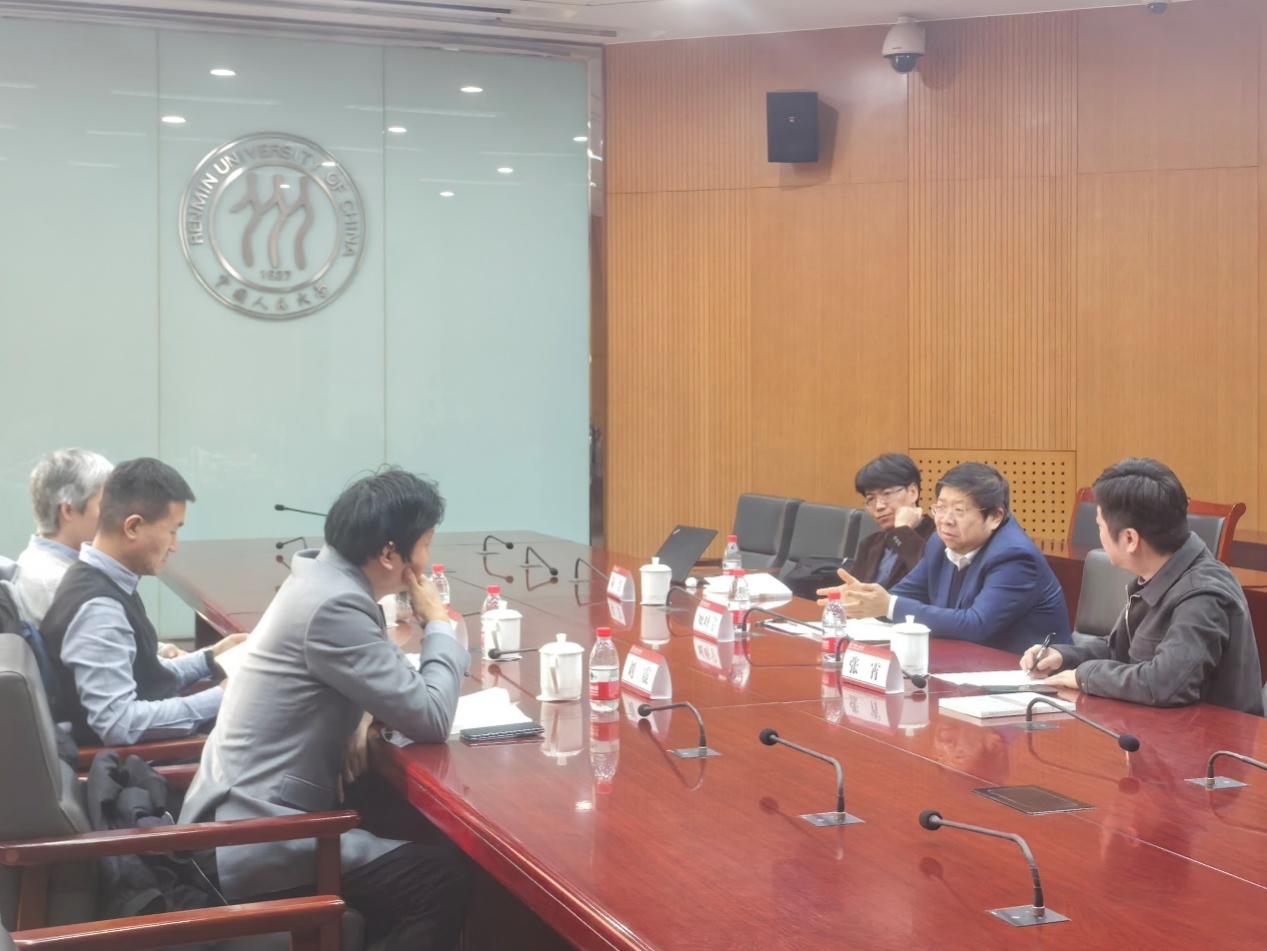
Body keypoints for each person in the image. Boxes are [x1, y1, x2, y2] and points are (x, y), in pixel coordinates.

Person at [180, 469, 471, 951]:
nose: (427, 560)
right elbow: (431, 717)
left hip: (241, 813)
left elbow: (380, 678)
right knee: (439, 879)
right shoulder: (336, 604)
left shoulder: (320, 577)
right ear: (390, 554)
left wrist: (364, 712)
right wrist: (439, 623)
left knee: (386, 816)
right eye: (426, 544)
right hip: (254, 837)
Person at [1022, 458, 1263, 714]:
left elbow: (1165, 683)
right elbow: (1120, 651)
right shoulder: (1157, 574)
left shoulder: (1203, 594)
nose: (1099, 534)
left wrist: (1085, 676)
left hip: (1210, 737)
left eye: (1100, 526)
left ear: (1130, 538)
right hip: (1159, 728)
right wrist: (1064, 657)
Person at [40, 458, 242, 746]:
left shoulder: (104, 581)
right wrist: (225, 695)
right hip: (144, 762)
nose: (175, 546)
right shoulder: (99, 609)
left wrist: (211, 658)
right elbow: (119, 723)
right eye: (172, 531)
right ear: (133, 526)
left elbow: (145, 675)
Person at [818, 462, 1070, 655]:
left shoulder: (1015, 557)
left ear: (995, 516)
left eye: (959, 510)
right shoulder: (940, 543)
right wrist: (864, 599)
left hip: (1024, 679)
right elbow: (902, 595)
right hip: (964, 668)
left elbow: (976, 625)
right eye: (940, 507)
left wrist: (888, 605)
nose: (945, 520)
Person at [16, 449, 113, 626]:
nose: (115, 514)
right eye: (106, 505)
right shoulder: (59, 583)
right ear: (68, 510)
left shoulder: (37, 563)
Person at [851, 453, 935, 588]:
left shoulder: (940, 537)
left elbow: (933, 582)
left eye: (887, 494)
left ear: (913, 492)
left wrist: (903, 533)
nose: (879, 506)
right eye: (870, 499)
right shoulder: (870, 544)